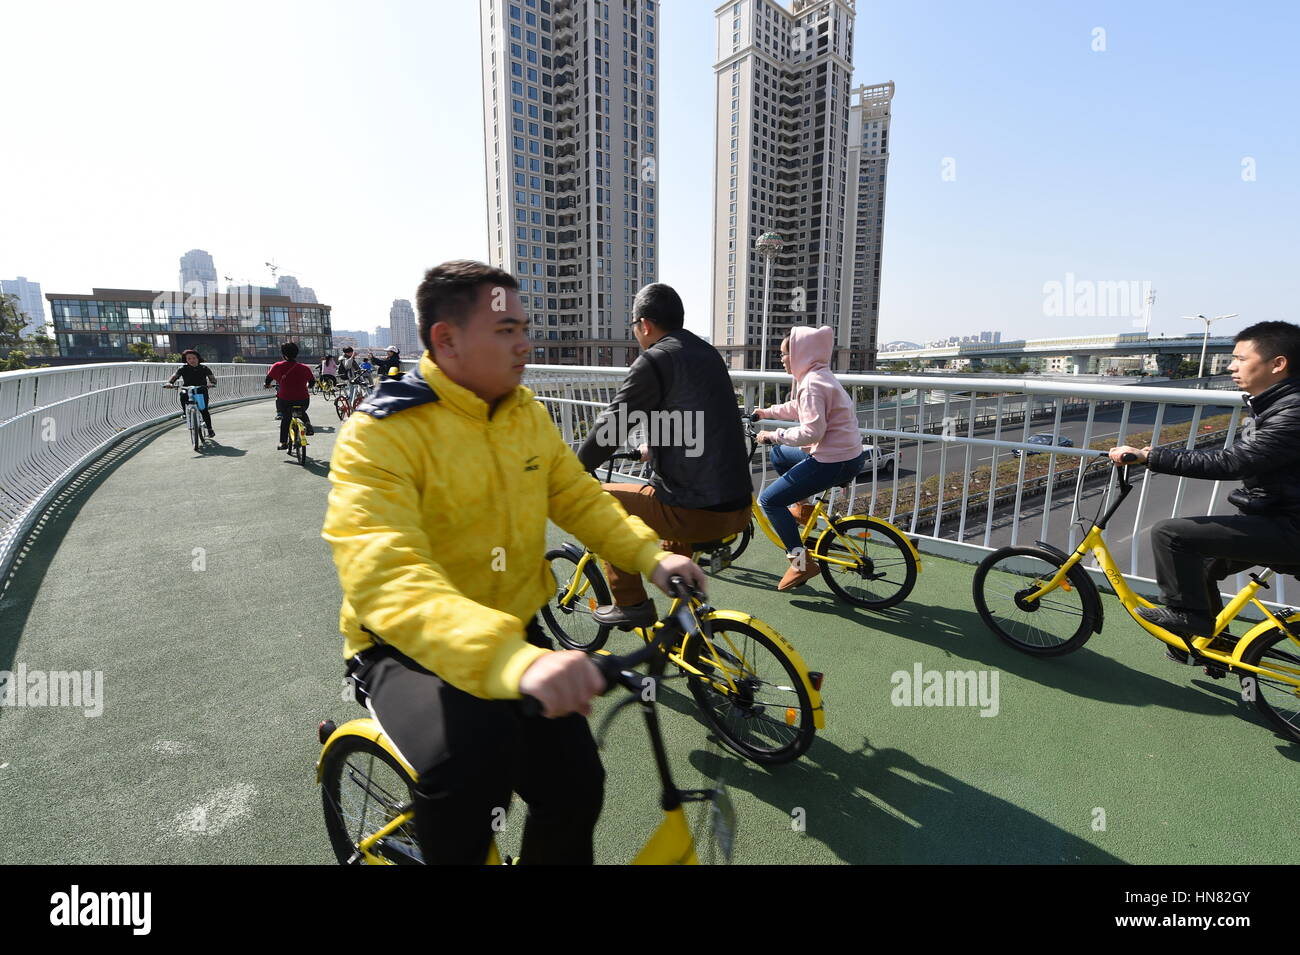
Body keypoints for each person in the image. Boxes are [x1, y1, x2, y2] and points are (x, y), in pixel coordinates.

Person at [320, 260, 707, 865]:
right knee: (467, 774)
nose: (525, 343)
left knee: (577, 784)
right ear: (445, 340)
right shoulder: (379, 434)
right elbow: (386, 575)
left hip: (513, 635)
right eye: (505, 330)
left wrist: (650, 557)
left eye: (524, 326)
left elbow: (577, 496)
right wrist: (516, 661)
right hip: (405, 650)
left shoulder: (525, 413)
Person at [1108, 320, 1300, 662]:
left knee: (1170, 534)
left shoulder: (1293, 412)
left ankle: (1192, 619)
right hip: (1279, 517)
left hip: (1291, 528)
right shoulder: (1276, 404)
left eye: (1240, 358)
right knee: (1203, 563)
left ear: (1277, 364)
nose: (1231, 366)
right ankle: (1209, 647)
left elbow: (1234, 462)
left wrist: (1149, 455)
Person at [576, 283, 752, 628]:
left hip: (694, 509)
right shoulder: (706, 353)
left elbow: (611, 426)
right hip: (738, 506)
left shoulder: (655, 360)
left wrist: (575, 466)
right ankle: (689, 627)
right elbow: (698, 418)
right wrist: (652, 449)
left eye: (633, 327)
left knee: (601, 505)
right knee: (672, 558)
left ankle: (631, 604)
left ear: (644, 325)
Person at [752, 326, 866, 591]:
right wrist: (766, 412)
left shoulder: (812, 384)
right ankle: (802, 508)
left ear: (800, 353)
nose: (781, 359)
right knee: (780, 455)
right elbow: (797, 408)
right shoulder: (818, 376)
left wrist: (774, 434)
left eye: (784, 354)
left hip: (832, 462)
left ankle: (801, 564)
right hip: (846, 456)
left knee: (768, 500)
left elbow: (811, 432)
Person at [263, 341, 316, 448]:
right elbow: (312, 382)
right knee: (300, 411)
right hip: (303, 399)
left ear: (283, 354)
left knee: (286, 419)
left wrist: (267, 385)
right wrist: (309, 386)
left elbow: (268, 380)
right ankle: (307, 423)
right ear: (296, 353)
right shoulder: (304, 367)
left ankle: (283, 443)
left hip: (285, 400)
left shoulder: (277, 366)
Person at [165, 349, 217, 438]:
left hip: (201, 390)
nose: (191, 360)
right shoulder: (182, 368)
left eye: (194, 358)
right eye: (189, 359)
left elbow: (213, 379)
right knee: (183, 393)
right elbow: (174, 377)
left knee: (204, 410)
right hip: (188, 389)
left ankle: (210, 429)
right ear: (186, 360)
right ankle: (185, 412)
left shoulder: (204, 368)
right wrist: (169, 383)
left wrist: (211, 384)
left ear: (198, 358)